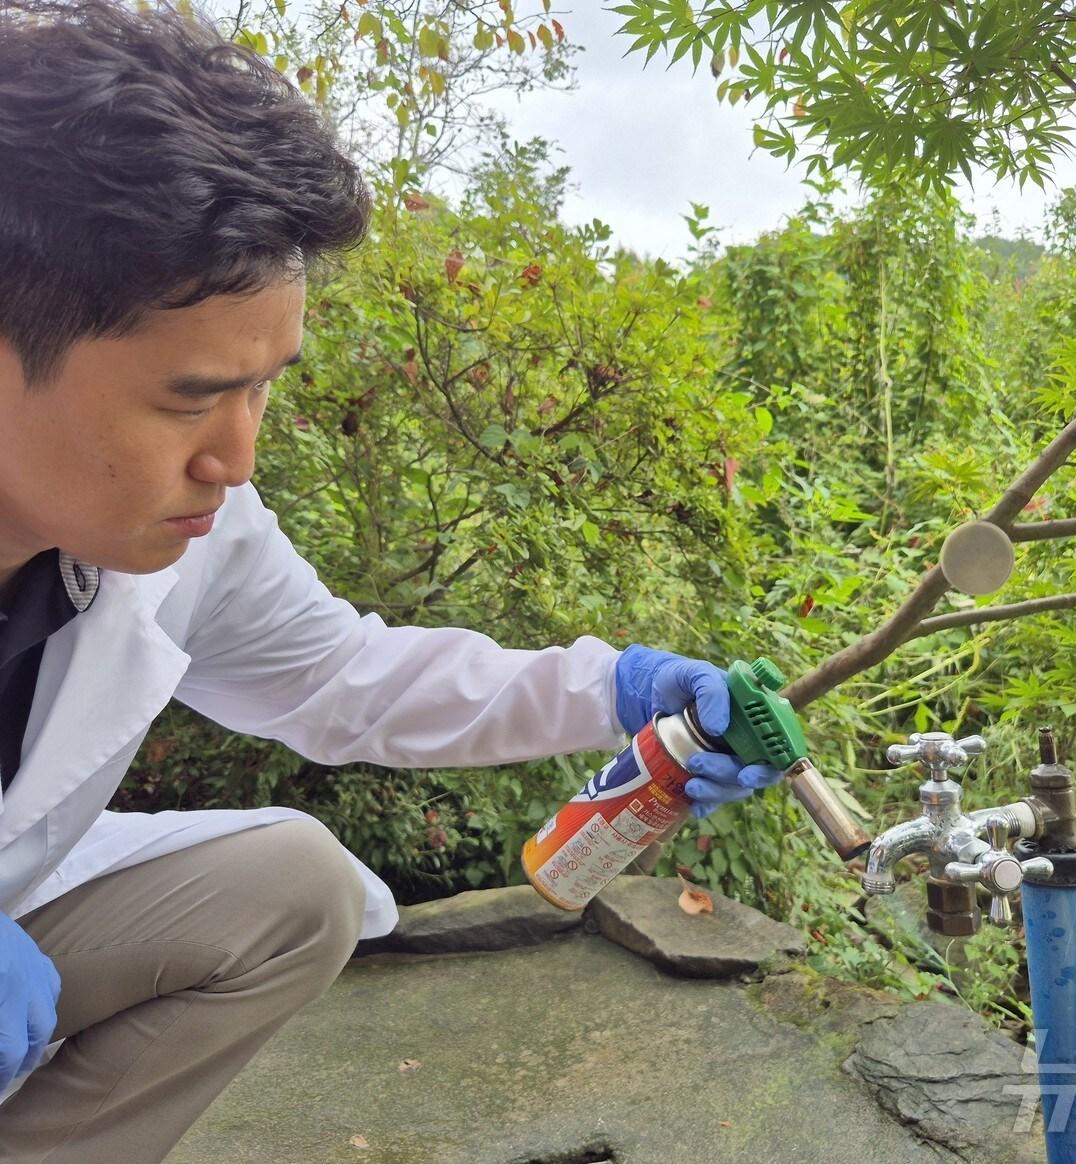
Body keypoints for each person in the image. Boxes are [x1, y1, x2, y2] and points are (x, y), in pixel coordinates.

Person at [0, 1, 782, 1158]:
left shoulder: (187, 533)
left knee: (292, 889)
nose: (235, 459)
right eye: (189, 397)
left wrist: (609, 689)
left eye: (263, 386)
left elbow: (339, 677)